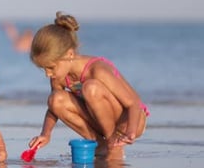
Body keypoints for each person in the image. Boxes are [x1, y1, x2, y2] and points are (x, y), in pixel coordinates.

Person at [26, 11, 149, 159]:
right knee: (55, 99)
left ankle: (113, 144)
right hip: (100, 119)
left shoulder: (97, 70)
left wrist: (131, 131)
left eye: (51, 67)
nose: (47, 74)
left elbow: (133, 103)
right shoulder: (59, 75)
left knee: (91, 88)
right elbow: (53, 109)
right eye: (43, 69)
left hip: (129, 120)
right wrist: (45, 134)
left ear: (69, 55)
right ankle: (99, 144)